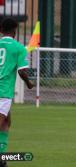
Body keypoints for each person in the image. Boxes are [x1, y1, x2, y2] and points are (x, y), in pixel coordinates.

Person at [0, 18, 34, 167]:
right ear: (15, 30)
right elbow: (22, 71)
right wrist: (29, 83)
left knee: (7, 122)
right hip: (3, 91)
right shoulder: (19, 48)